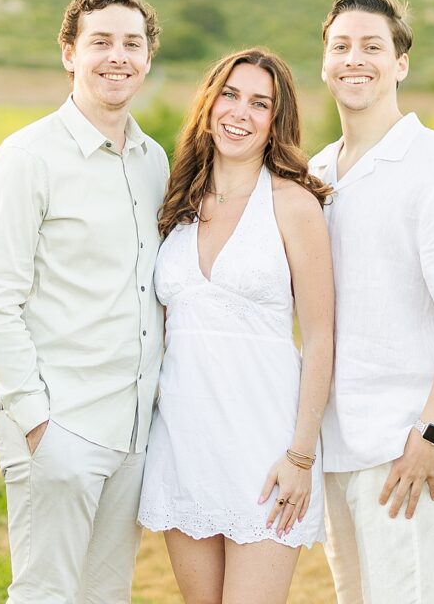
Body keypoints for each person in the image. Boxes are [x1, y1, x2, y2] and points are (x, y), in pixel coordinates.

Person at [0, 0, 167, 602]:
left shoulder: (153, 160)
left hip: (134, 429)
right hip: (60, 427)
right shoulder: (26, 158)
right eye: (100, 41)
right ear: (68, 52)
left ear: (148, 56)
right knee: (46, 595)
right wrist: (34, 422)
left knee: (106, 595)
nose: (118, 56)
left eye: (132, 43)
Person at [137, 48, 333, 601]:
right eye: (230, 94)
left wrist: (300, 455)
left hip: (266, 450)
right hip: (184, 442)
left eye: (259, 103)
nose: (240, 113)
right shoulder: (177, 200)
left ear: (276, 121)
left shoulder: (294, 205)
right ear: (209, 102)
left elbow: (320, 338)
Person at [309, 0, 434, 604]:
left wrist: (430, 436)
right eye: (342, 46)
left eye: (372, 46)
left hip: (403, 447)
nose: (356, 59)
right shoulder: (318, 172)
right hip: (335, 443)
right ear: (325, 62)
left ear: (400, 64)